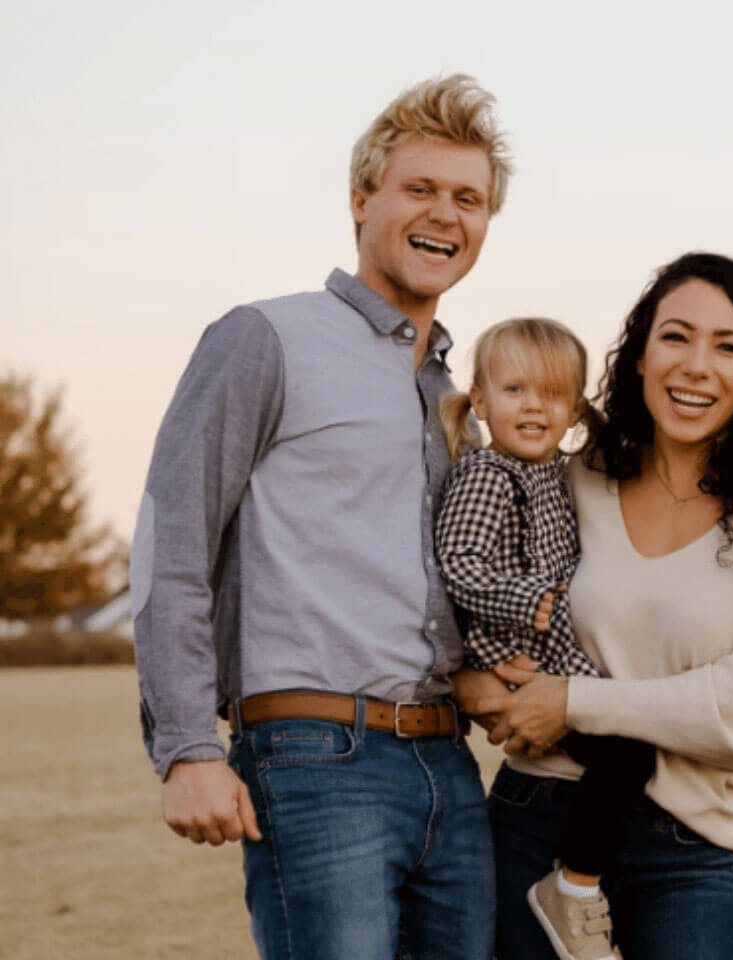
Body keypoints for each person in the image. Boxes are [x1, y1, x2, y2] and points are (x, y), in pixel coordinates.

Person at [130, 74, 511, 960]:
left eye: (470, 199)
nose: (445, 216)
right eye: (420, 189)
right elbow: (173, 543)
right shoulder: (265, 336)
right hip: (313, 759)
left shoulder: (456, 396)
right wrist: (188, 747)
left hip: (449, 766)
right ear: (360, 198)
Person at [454, 252, 733, 960]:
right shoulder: (576, 476)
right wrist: (468, 680)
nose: (696, 365)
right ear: (639, 357)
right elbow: (470, 587)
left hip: (685, 842)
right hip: (536, 818)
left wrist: (571, 702)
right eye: (676, 337)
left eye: (729, 346)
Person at [435, 318, 656, 960]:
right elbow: (459, 565)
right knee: (628, 755)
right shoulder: (486, 474)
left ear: (575, 409)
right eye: (514, 389)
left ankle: (581, 879)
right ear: (480, 400)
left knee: (630, 755)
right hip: (517, 663)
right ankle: (575, 888)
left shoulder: (564, 475)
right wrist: (529, 598)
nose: (534, 406)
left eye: (554, 395)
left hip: (564, 667)